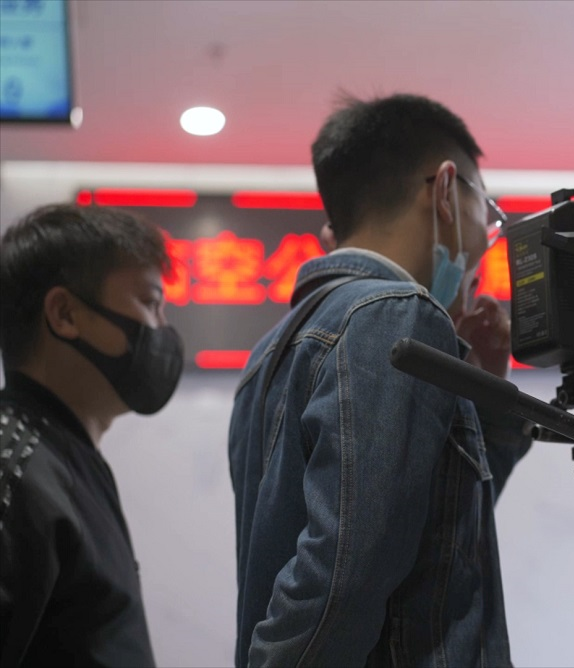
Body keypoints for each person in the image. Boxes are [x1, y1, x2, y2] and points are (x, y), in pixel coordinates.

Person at [228, 93, 532, 667]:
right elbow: (340, 583)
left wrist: (484, 394)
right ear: (446, 190)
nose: (486, 236)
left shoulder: (267, 354)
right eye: (486, 210)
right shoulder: (396, 316)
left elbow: (429, 539)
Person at [0, 204, 184, 666]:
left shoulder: (63, 456)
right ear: (64, 314)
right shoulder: (14, 469)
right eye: (149, 302)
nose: (162, 328)